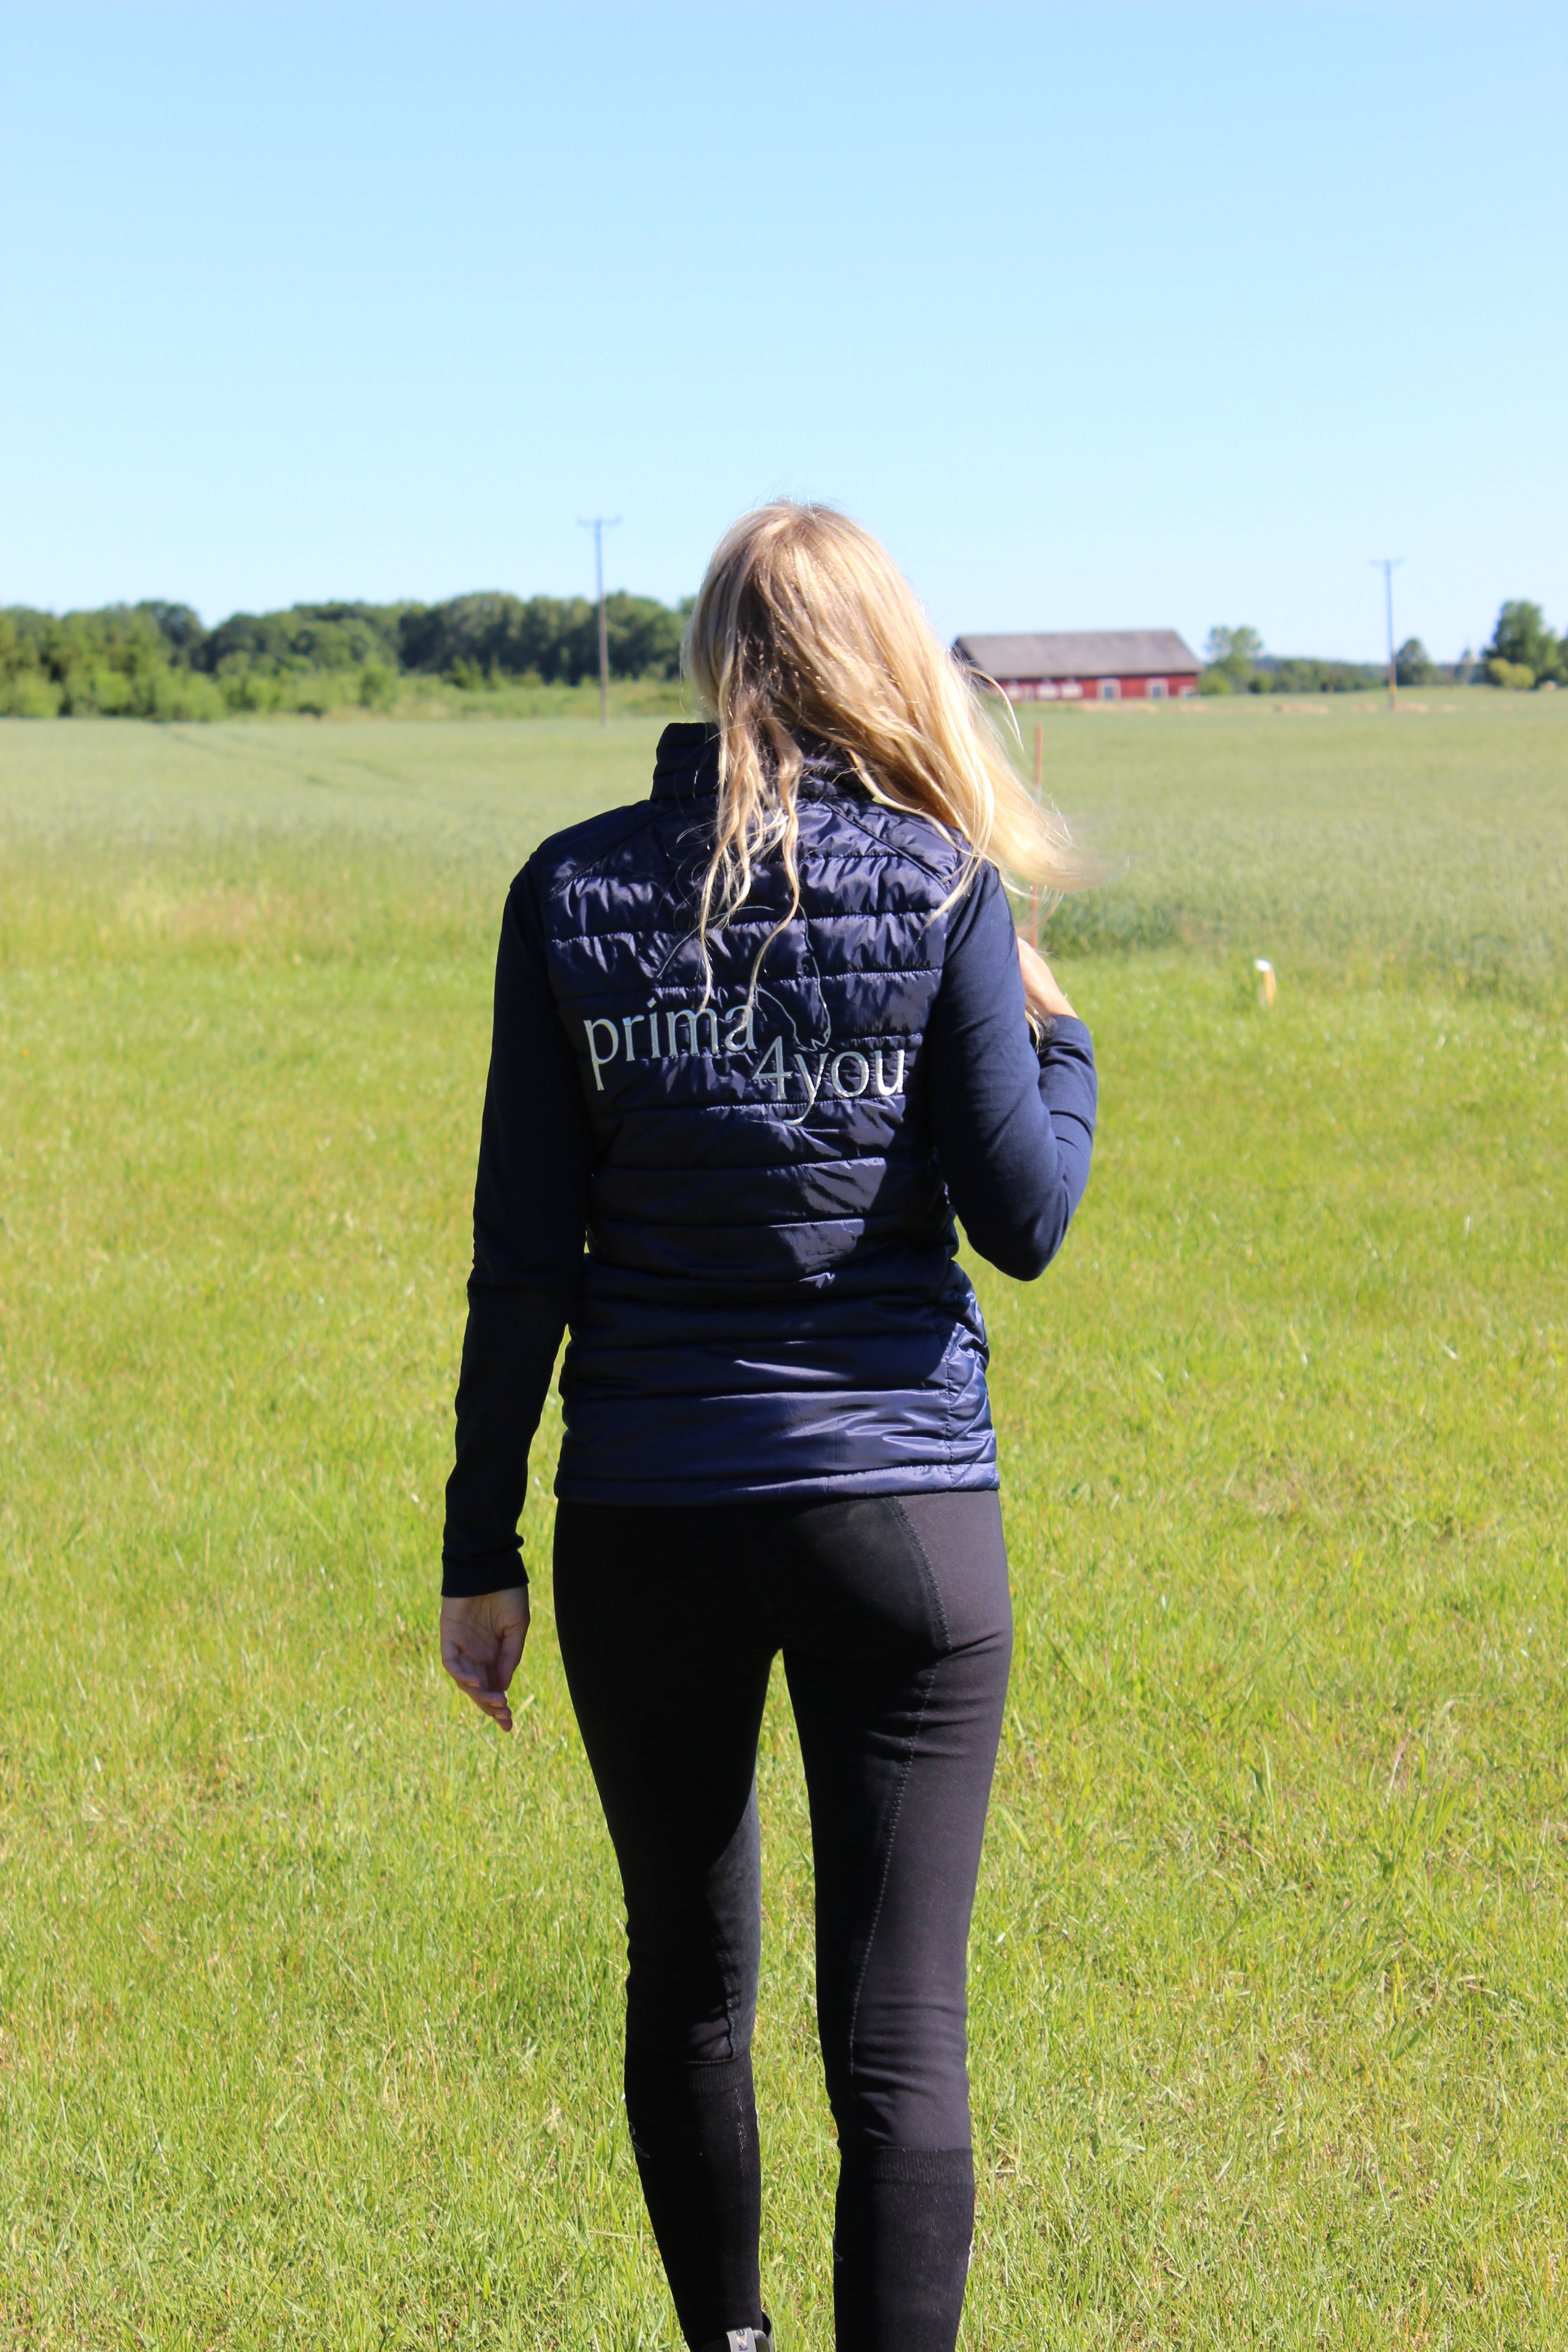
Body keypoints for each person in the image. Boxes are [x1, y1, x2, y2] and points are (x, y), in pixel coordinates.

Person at [438, 503, 1097, 2352]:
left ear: (716, 651)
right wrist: (1064, 1048)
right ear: (883, 657)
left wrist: (479, 1549)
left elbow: (521, 1260)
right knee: (899, 2029)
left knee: (688, 1979)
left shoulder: (568, 892)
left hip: (646, 1513)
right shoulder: (945, 887)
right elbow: (1026, 1219)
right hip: (904, 1518)